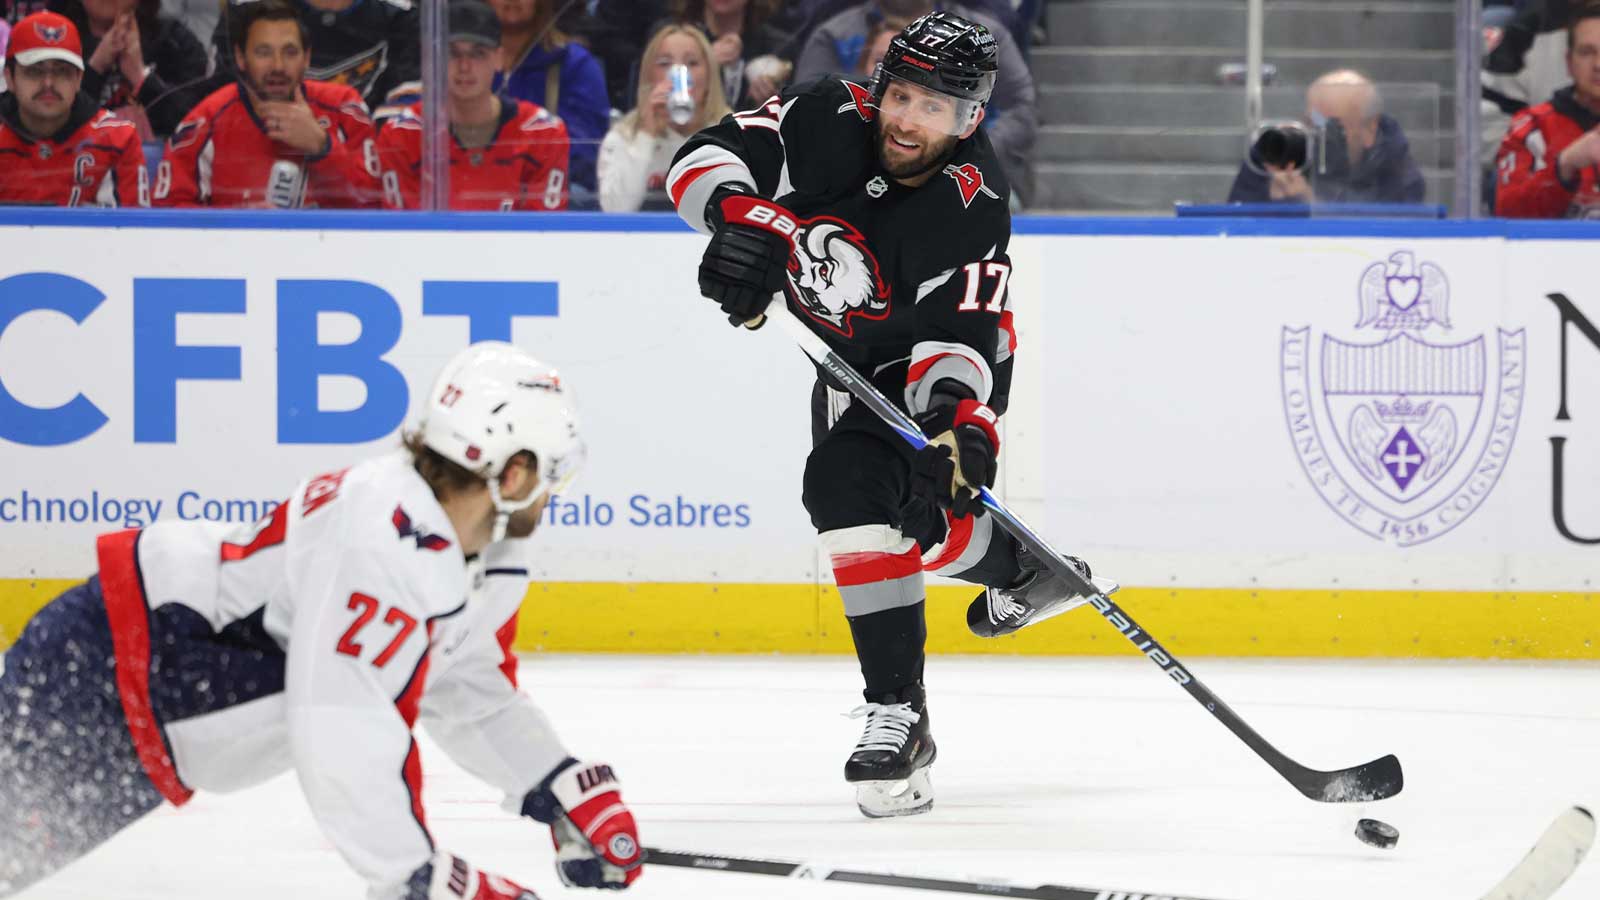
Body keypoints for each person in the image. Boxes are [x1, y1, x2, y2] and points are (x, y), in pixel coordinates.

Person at [668, 11, 1115, 818]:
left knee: (855, 489)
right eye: (902, 94)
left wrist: (954, 426)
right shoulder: (825, 114)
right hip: (844, 359)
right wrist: (740, 216)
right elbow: (702, 158)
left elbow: (961, 339)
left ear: (971, 117)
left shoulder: (973, 201)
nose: (909, 120)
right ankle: (1015, 568)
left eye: (935, 107)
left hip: (935, 370)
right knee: (870, 509)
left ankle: (900, 716)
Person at [0, 341, 644, 899]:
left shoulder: (470, 548)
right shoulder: (382, 538)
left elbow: (464, 681)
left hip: (146, 695)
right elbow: (341, 721)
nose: (555, 492)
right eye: (552, 470)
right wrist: (417, 876)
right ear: (515, 468)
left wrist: (555, 780)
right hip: (108, 676)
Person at [793, 0, 1037, 205]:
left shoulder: (987, 39)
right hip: (851, 171)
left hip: (970, 172)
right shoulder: (834, 34)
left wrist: (961, 157)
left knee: (985, 203)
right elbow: (810, 110)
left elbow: (1020, 108)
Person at [154, 0, 377, 208]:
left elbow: (377, 206)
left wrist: (323, 147)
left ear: (306, 58)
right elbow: (166, 219)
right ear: (241, 58)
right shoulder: (206, 122)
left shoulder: (345, 109)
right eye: (264, 53)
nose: (278, 66)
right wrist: (243, 229)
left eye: (290, 53)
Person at [376, 0, 568, 210]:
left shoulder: (543, 133)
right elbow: (404, 235)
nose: (464, 66)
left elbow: (540, 235)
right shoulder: (402, 134)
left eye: (478, 53)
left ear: (498, 59)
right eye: (452, 53)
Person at [0, 10, 148, 205]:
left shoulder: (118, 139)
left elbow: (134, 230)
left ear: (79, 79)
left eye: (63, 72)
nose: (48, 83)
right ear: (9, 78)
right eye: (34, 71)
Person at [1226, 69, 1426, 205]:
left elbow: (1387, 235)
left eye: (1330, 127)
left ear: (1369, 130)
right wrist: (1271, 202)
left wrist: (1311, 206)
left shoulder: (1393, 160)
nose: (1315, 136)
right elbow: (1234, 225)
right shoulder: (1279, 149)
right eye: (1310, 121)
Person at [597, 22, 730, 211]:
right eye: (664, 64)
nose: (679, 75)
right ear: (648, 75)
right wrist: (646, 134)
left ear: (709, 76)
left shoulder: (733, 132)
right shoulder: (624, 135)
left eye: (692, 63)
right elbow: (615, 210)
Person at [491, 0, 608, 199]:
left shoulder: (575, 65)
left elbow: (585, 150)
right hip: (472, 187)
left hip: (548, 197)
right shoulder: (461, 66)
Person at [209, 0, 420, 109]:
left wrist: (327, 148)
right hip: (254, 169)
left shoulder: (402, 16)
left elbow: (402, 125)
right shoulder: (246, 11)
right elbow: (218, 110)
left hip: (364, 176)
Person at [1495, 4, 1600, 217]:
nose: (1598, 64)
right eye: (1586, 52)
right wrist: (1564, 165)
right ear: (1569, 63)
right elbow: (1507, 213)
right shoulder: (1531, 126)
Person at [54, 0, 209, 138]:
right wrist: (96, 67)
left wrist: (141, 77)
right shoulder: (57, 44)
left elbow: (197, 124)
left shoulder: (175, 40)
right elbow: (51, 125)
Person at [655, 0, 795, 106]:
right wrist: (702, 63)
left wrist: (771, 103)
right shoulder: (669, 36)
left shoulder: (778, 46)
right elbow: (652, 100)